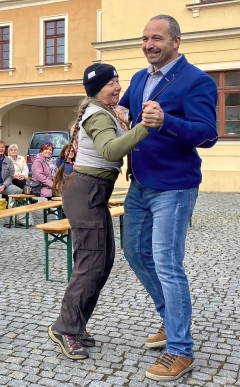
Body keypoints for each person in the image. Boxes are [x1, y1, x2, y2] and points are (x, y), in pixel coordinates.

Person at [120, 15, 218, 381]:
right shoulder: (140, 78)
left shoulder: (197, 81)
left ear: (176, 41)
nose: (149, 44)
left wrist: (168, 122)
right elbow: (127, 107)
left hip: (174, 187)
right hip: (140, 183)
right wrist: (115, 110)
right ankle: (170, 318)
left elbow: (208, 135)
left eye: (157, 38)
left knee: (166, 262)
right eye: (145, 38)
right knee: (134, 252)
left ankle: (180, 349)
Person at [48, 62, 155, 361]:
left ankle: (76, 324)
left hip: (92, 192)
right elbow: (110, 151)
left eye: (119, 80)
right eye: (112, 83)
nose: (118, 86)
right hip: (86, 192)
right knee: (90, 263)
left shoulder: (103, 112)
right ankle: (65, 328)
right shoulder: (97, 116)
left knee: (102, 261)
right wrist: (145, 127)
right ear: (98, 90)